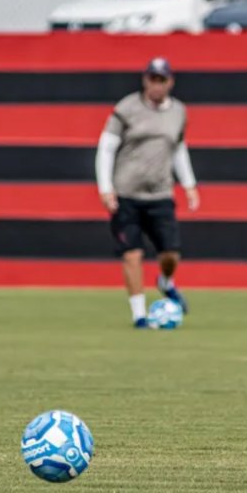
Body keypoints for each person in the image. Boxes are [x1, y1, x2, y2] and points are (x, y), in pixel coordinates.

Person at [96, 57, 199, 328]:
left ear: (170, 82)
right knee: (132, 253)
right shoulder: (126, 108)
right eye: (152, 79)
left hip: (160, 194)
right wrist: (106, 188)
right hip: (126, 194)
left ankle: (165, 281)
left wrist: (188, 184)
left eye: (162, 79)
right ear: (145, 80)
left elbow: (178, 148)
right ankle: (139, 314)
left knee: (170, 254)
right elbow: (106, 147)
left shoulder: (178, 111)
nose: (156, 85)